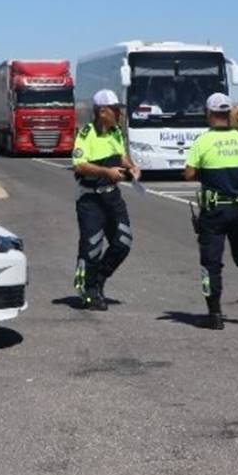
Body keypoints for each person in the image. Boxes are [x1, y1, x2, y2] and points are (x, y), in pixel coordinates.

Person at [183, 92, 238, 330]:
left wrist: (206, 173)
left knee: (211, 263)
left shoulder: (203, 141)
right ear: (229, 114)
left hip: (214, 212)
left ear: (209, 113)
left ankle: (215, 315)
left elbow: (188, 173)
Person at [71, 89, 140, 310]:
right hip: (91, 200)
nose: (119, 113)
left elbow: (121, 156)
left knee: (123, 243)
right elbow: (79, 165)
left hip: (113, 198)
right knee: (91, 248)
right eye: (115, 109)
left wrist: (131, 167)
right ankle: (87, 291)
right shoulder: (86, 134)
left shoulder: (116, 132)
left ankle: (98, 280)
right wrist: (106, 172)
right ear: (102, 112)